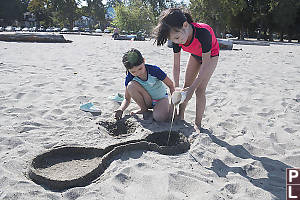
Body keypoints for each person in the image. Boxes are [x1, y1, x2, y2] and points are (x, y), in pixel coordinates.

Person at [153, 8, 220, 127]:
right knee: (185, 88)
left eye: (177, 38)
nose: (177, 42)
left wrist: (192, 89)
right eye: (174, 40)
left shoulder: (203, 33)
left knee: (199, 90)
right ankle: (180, 115)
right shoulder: (176, 38)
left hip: (210, 57)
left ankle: (197, 124)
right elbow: (176, 65)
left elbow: (205, 65)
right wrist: (176, 87)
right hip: (195, 54)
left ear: (185, 25)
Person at [114, 48, 175, 122]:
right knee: (130, 85)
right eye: (133, 72)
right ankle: (143, 109)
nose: (138, 73)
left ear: (144, 61)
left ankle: (161, 109)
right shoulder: (130, 77)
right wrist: (121, 109)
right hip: (147, 100)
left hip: (161, 99)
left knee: (160, 118)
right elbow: (127, 99)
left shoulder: (154, 70)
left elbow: (171, 85)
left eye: (140, 69)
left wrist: (172, 106)